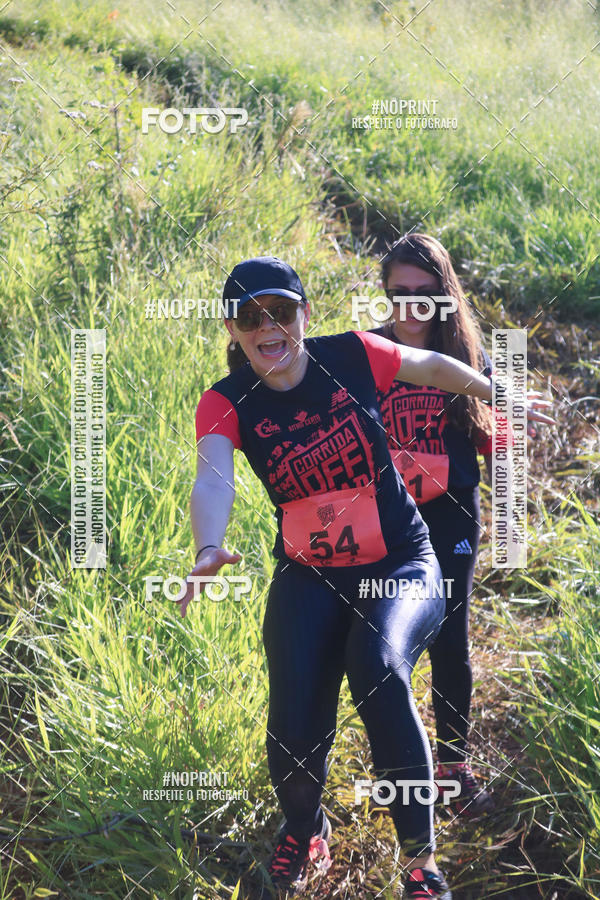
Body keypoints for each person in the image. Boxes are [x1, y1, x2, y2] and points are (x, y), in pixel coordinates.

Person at [178, 256, 550, 898]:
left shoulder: (350, 355)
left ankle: (419, 860)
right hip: (310, 575)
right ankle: (305, 826)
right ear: (233, 330)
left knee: (377, 665)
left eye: (282, 312)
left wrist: (496, 391)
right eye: (250, 317)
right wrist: (208, 545)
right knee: (294, 713)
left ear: (305, 315)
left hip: (401, 561)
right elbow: (213, 475)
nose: (269, 328)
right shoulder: (225, 400)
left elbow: (430, 367)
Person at [370, 233, 550, 818]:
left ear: (446, 296)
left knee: (450, 636)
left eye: (427, 294)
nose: (414, 306)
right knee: (382, 644)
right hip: (386, 520)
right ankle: (397, 767)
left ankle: (452, 763)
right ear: (386, 293)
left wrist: (513, 443)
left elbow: (496, 444)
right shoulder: (365, 355)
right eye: (401, 293)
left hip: (451, 514)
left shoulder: (471, 361)